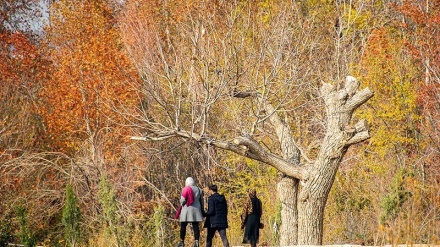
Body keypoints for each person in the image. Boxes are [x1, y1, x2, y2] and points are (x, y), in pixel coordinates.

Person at [177, 177, 204, 247]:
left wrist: (181, 203)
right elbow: (201, 201)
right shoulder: (199, 189)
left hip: (186, 210)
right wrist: (202, 210)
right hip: (196, 211)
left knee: (183, 226)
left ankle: (182, 241)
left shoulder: (185, 189)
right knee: (195, 226)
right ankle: (197, 242)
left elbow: (182, 201)